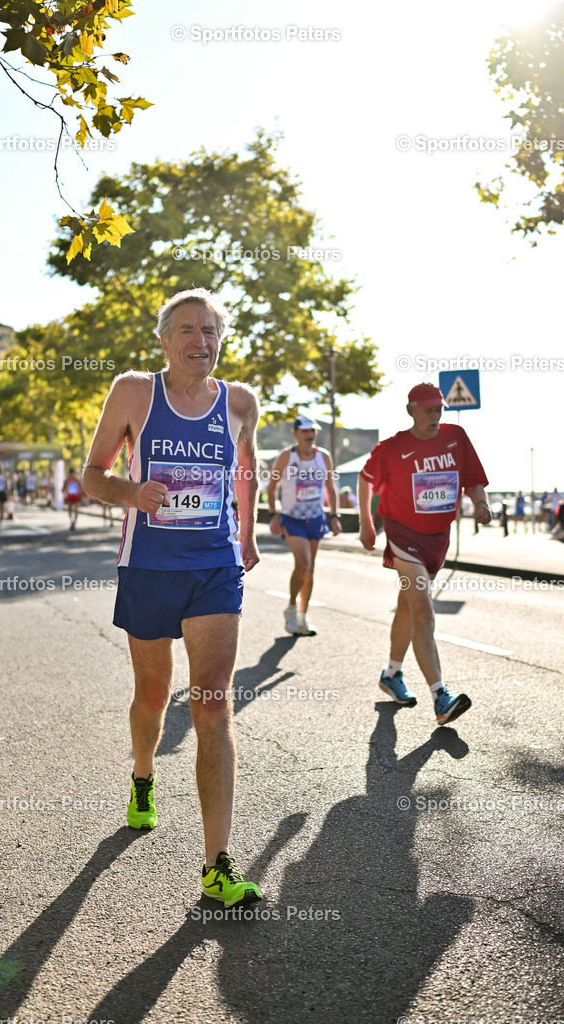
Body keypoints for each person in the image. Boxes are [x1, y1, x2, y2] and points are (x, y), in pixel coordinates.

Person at [83, 287, 263, 908]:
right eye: (187, 329)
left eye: (211, 330)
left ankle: (217, 865)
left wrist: (245, 536)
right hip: (149, 567)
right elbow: (92, 475)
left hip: (214, 567)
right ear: (164, 340)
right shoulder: (135, 391)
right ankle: (142, 778)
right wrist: (134, 495)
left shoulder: (240, 401)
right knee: (154, 695)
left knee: (213, 705)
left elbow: (246, 469)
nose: (200, 341)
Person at [358, 382, 491, 726]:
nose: (434, 415)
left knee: (408, 605)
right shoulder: (393, 447)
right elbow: (365, 479)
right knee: (424, 610)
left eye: (438, 408)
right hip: (403, 533)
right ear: (411, 411)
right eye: (428, 409)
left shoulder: (456, 437)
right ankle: (440, 697)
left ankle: (391, 673)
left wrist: (481, 503)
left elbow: (473, 479)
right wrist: (367, 525)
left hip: (438, 538)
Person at [266, 415, 341, 636]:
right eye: (305, 431)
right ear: (295, 433)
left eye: (313, 431)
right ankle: (291, 607)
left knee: (310, 568)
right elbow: (271, 488)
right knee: (303, 563)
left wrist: (334, 515)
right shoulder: (286, 457)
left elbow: (330, 487)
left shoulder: (323, 457)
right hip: (292, 518)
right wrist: (273, 515)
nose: (310, 435)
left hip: (315, 518)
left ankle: (302, 617)